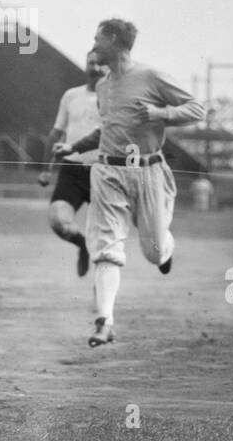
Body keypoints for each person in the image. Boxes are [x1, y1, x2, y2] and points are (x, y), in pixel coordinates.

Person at [54, 18, 205, 347]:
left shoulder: (150, 76)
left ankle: (164, 250)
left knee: (152, 251)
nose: (93, 46)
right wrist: (74, 147)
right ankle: (104, 322)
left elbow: (198, 108)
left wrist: (162, 114)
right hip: (107, 172)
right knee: (106, 250)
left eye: (97, 39)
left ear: (114, 41)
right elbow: (107, 130)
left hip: (149, 171)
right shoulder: (105, 87)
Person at [37, 52, 106, 276]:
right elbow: (56, 132)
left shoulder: (116, 99)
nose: (95, 67)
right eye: (91, 62)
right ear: (86, 65)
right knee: (58, 220)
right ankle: (82, 246)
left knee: (106, 236)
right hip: (72, 170)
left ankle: (103, 288)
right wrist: (47, 169)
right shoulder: (71, 96)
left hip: (103, 172)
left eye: (100, 63)